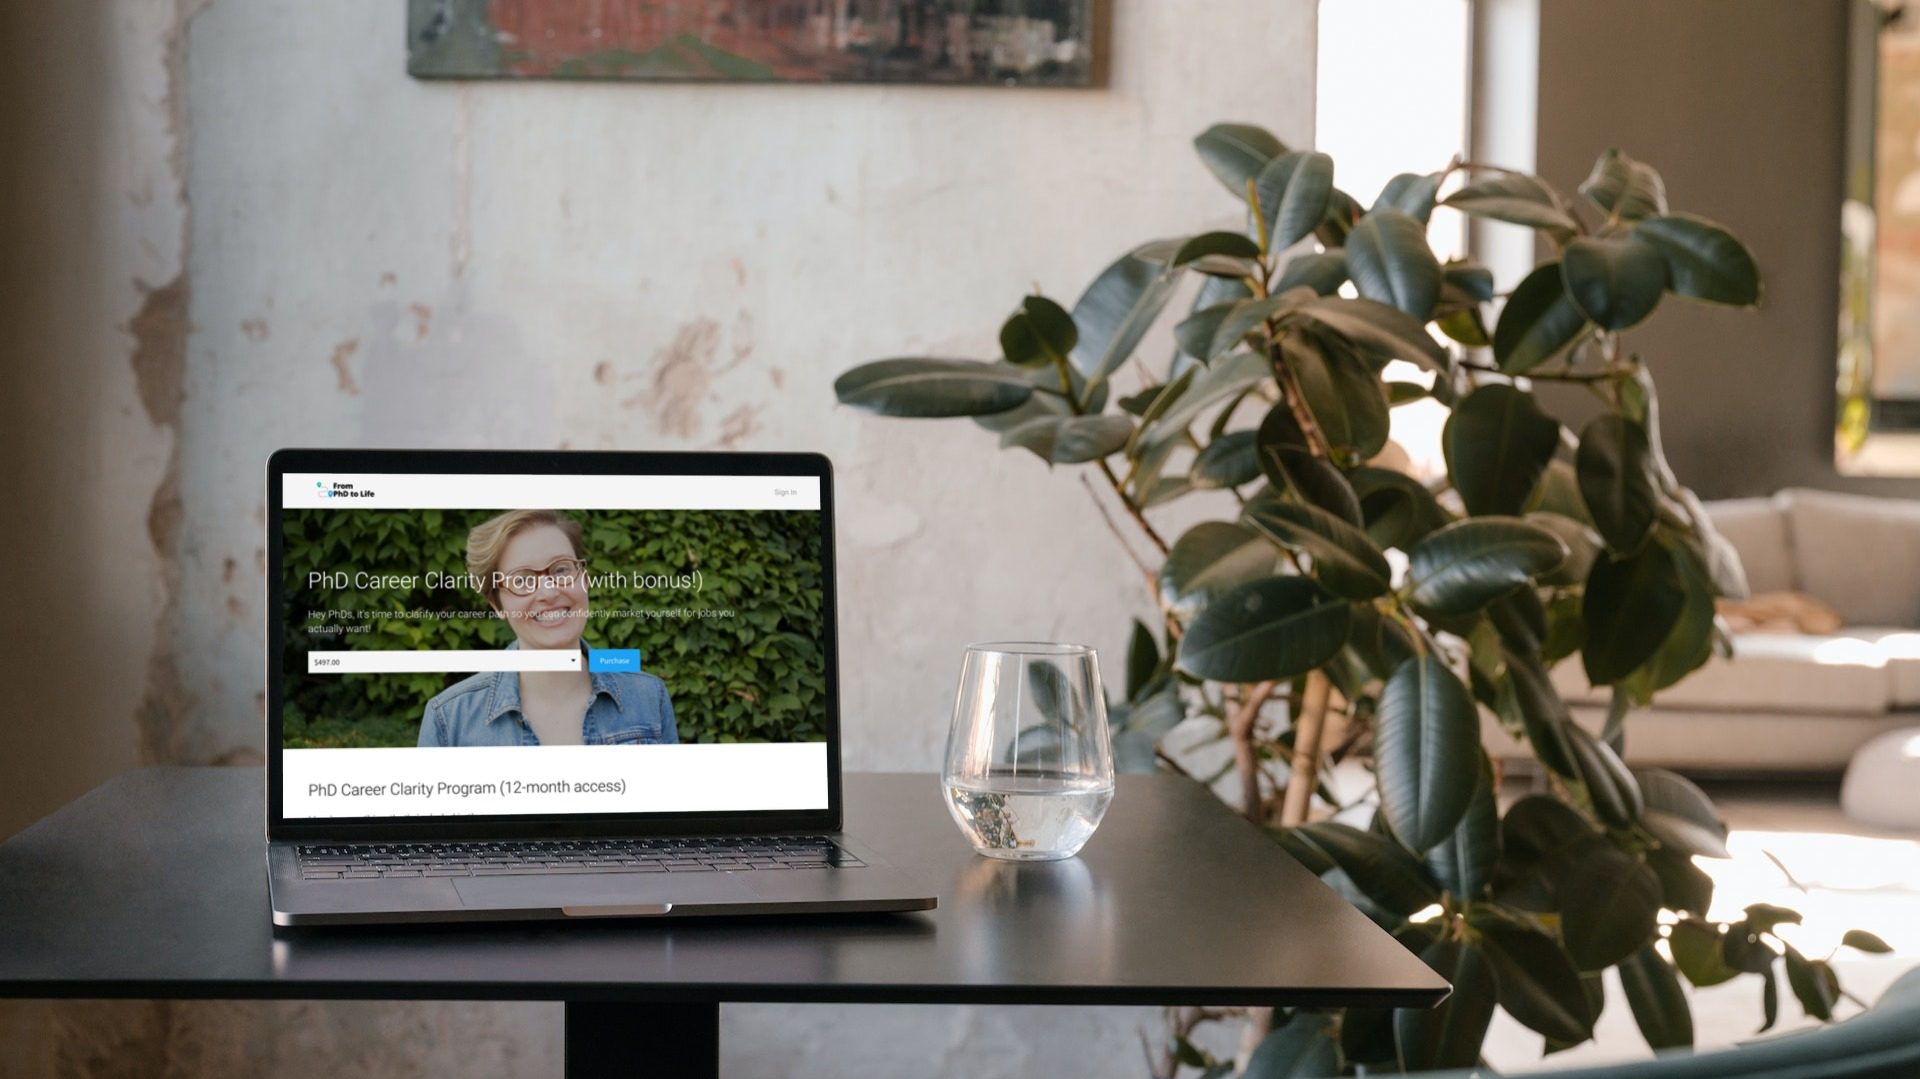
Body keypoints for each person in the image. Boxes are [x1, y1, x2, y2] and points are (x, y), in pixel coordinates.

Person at [417, 509, 678, 747]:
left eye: (561, 569)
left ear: (584, 579)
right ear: (496, 604)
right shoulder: (449, 719)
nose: (549, 592)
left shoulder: (648, 697)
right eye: (522, 580)